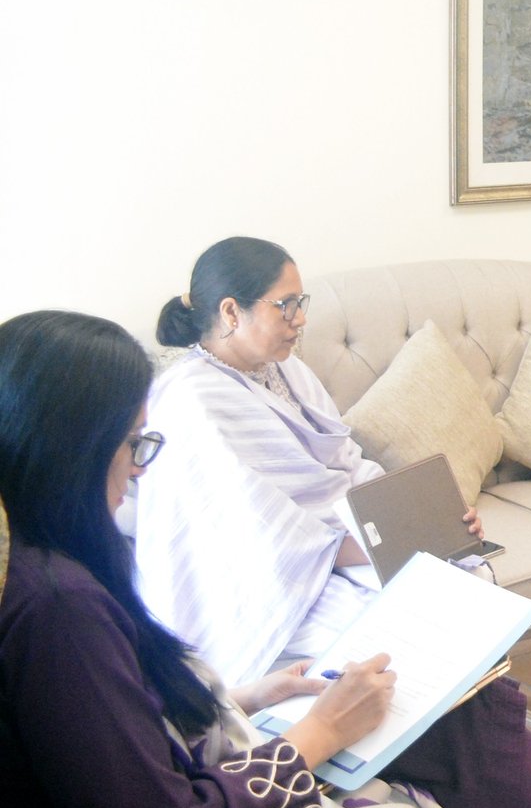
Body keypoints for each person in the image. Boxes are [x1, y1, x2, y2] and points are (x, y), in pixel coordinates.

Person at [0, 310, 531, 808]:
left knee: (447, 709)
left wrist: (248, 697)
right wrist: (319, 734)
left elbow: (109, 736)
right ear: (71, 449)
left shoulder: (42, 568)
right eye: (132, 445)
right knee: (459, 718)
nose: (140, 471)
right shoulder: (60, 608)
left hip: (205, 785)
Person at [137, 236, 471, 687]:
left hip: (340, 545)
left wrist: (427, 519)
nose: (301, 318)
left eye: (300, 302)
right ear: (232, 312)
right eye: (286, 305)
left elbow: (346, 461)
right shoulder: (189, 396)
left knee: (465, 578)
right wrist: (391, 542)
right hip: (268, 583)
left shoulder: (288, 368)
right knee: (396, 634)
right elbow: (254, 535)